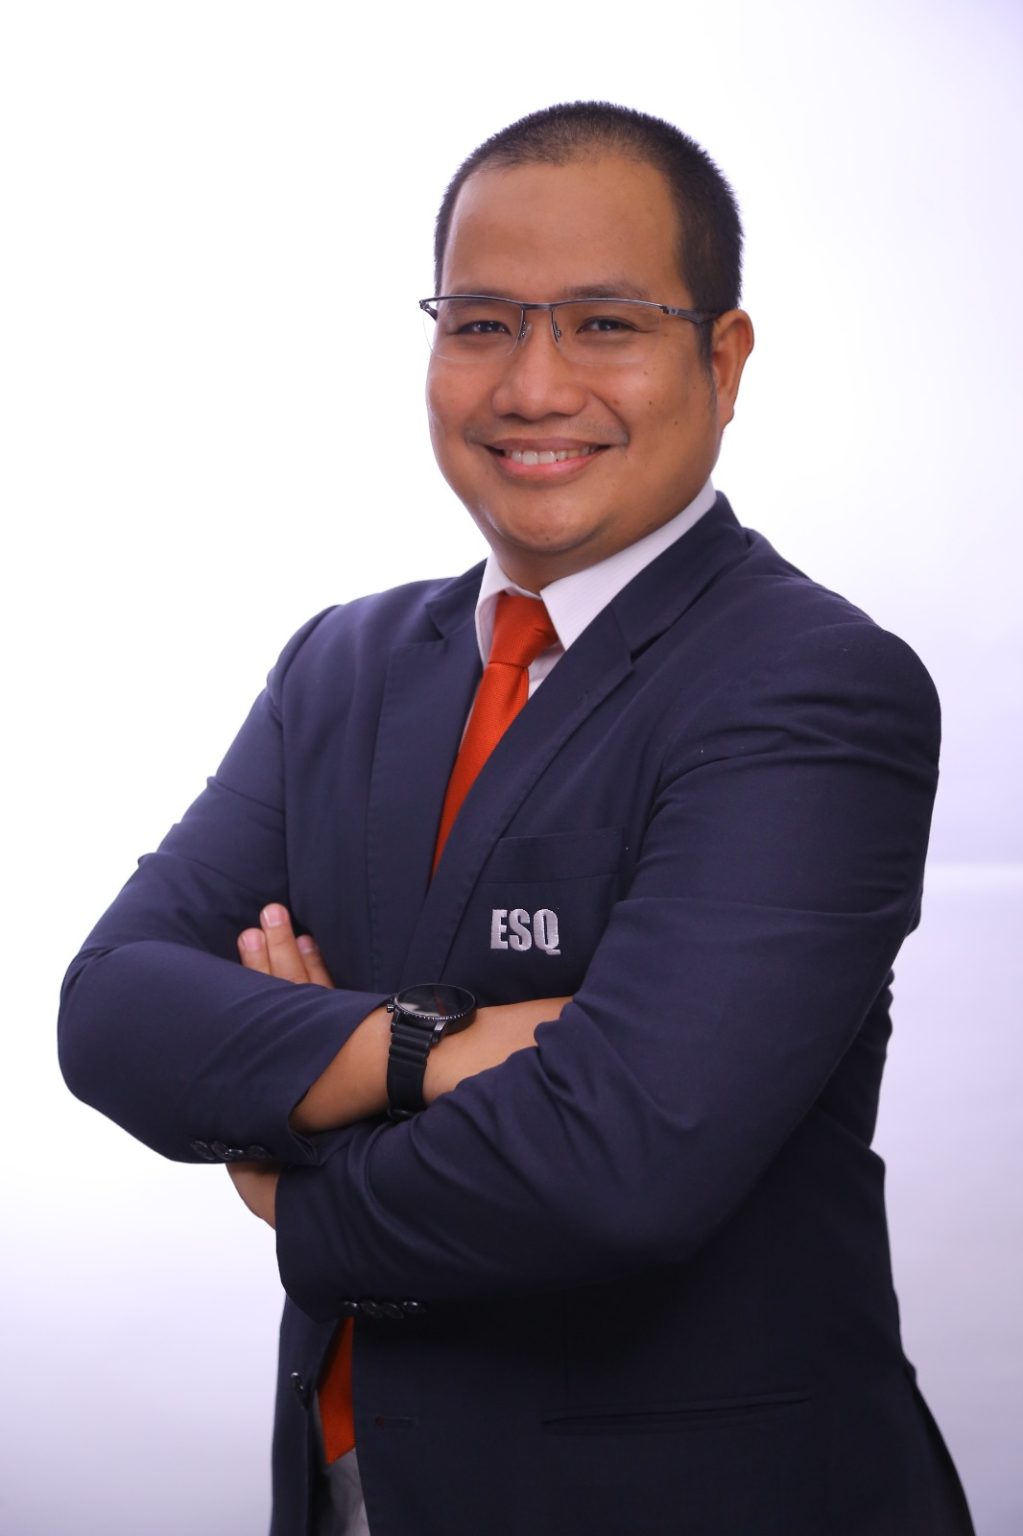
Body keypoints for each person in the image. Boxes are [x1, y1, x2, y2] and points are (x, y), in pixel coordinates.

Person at [59, 102, 975, 1536]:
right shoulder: (343, 664)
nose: (534, 385)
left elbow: (618, 1168)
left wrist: (294, 1177)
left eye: (606, 323)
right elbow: (112, 1010)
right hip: (353, 1488)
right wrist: (427, 1050)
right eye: (481, 324)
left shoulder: (811, 686)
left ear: (723, 360)